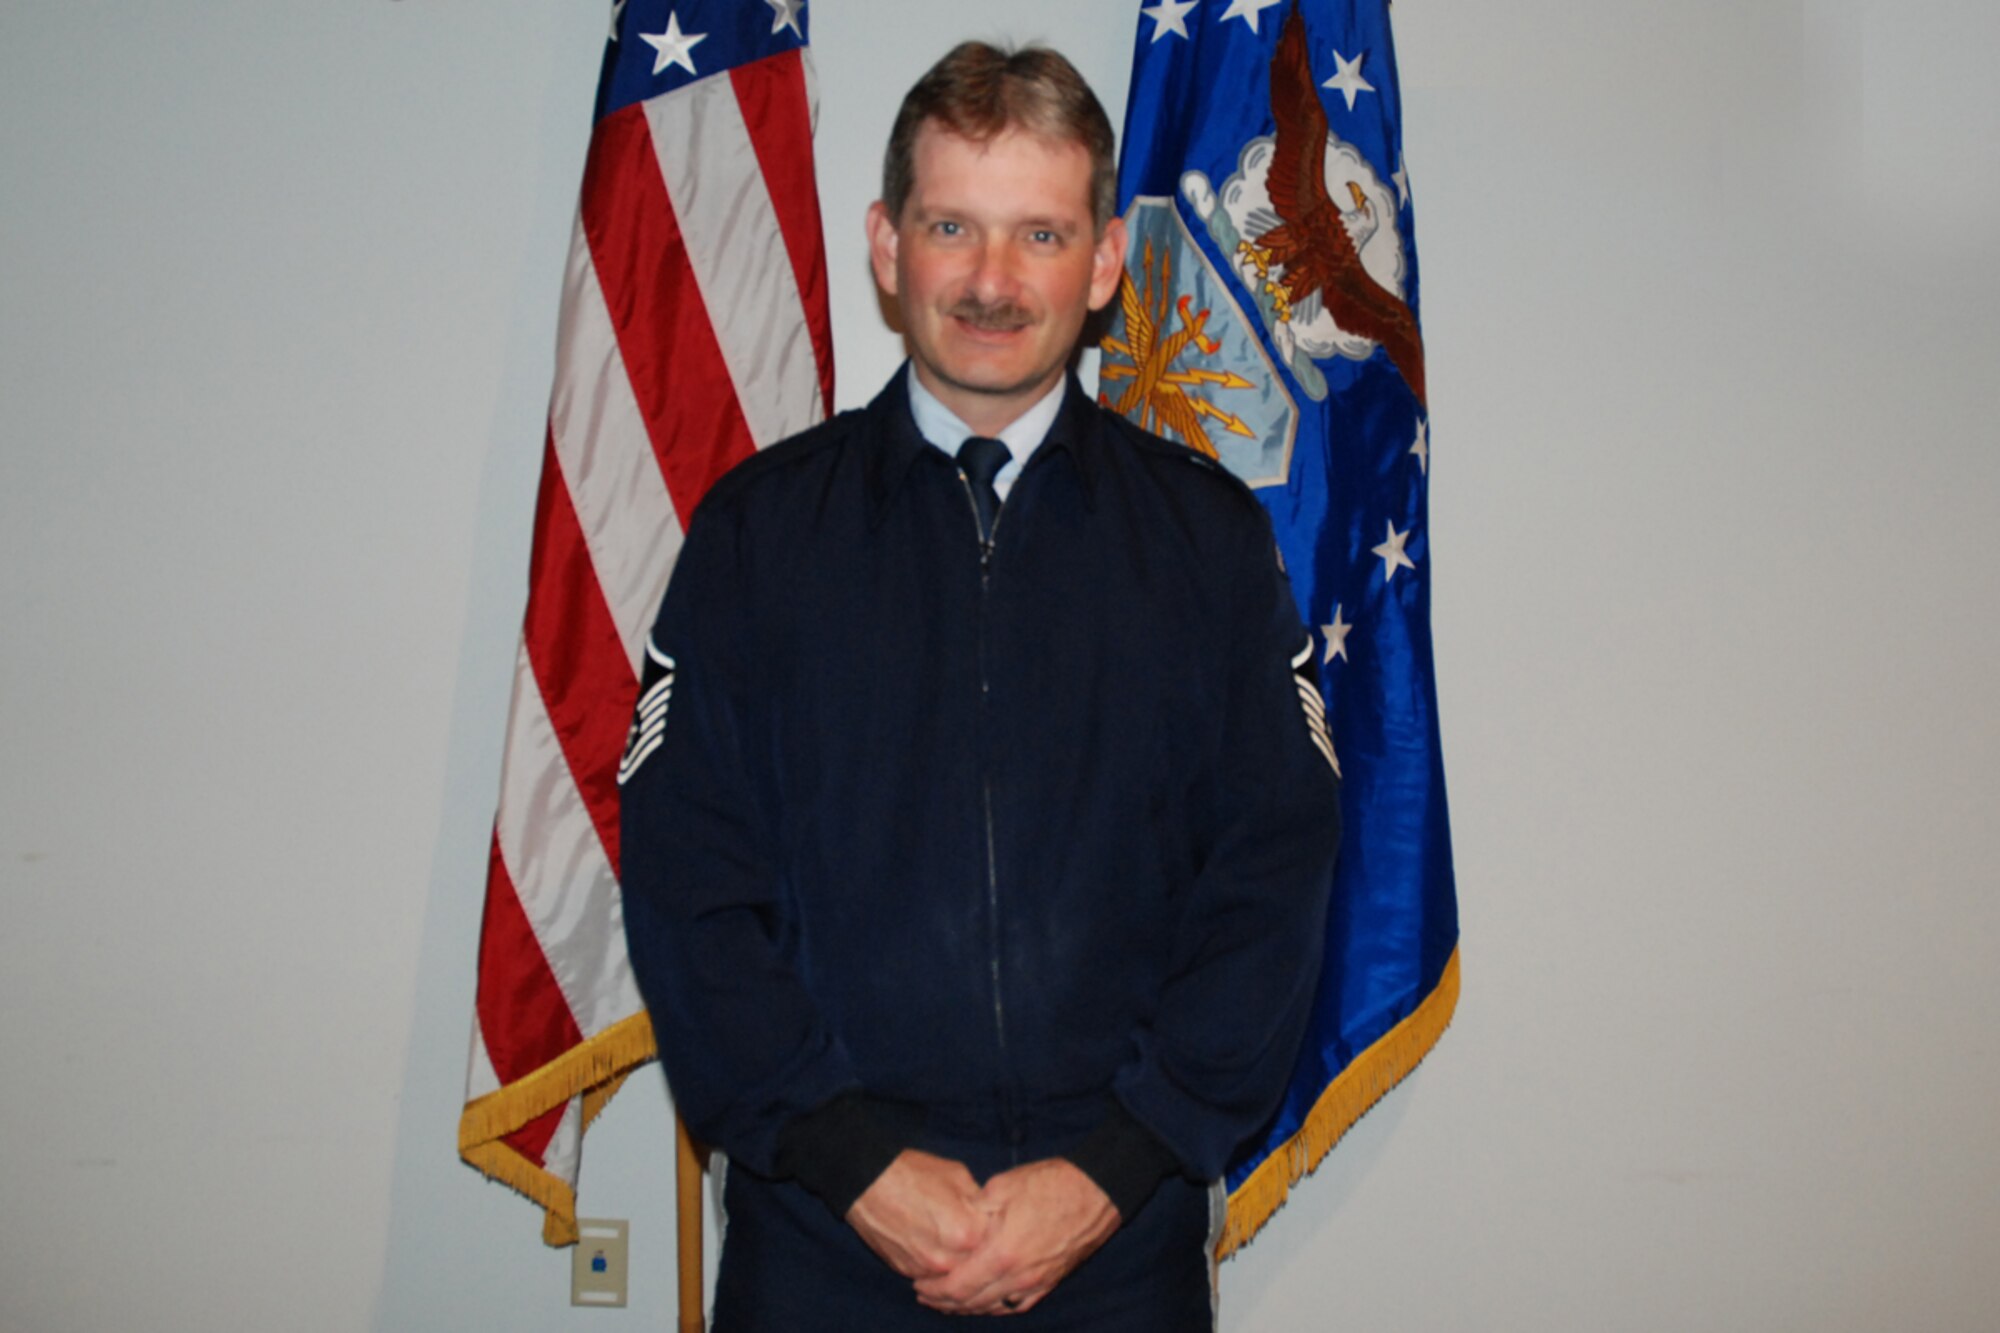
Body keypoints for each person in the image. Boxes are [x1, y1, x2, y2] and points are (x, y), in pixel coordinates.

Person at [618, 40, 1341, 1331]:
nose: (994, 282)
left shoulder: (1211, 547)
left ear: (1106, 260)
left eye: (1040, 235)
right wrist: (853, 1160)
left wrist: (1113, 1167)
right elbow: (689, 887)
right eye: (953, 225)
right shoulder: (755, 540)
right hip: (824, 1251)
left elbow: (1271, 884)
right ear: (887, 246)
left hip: (1115, 1259)